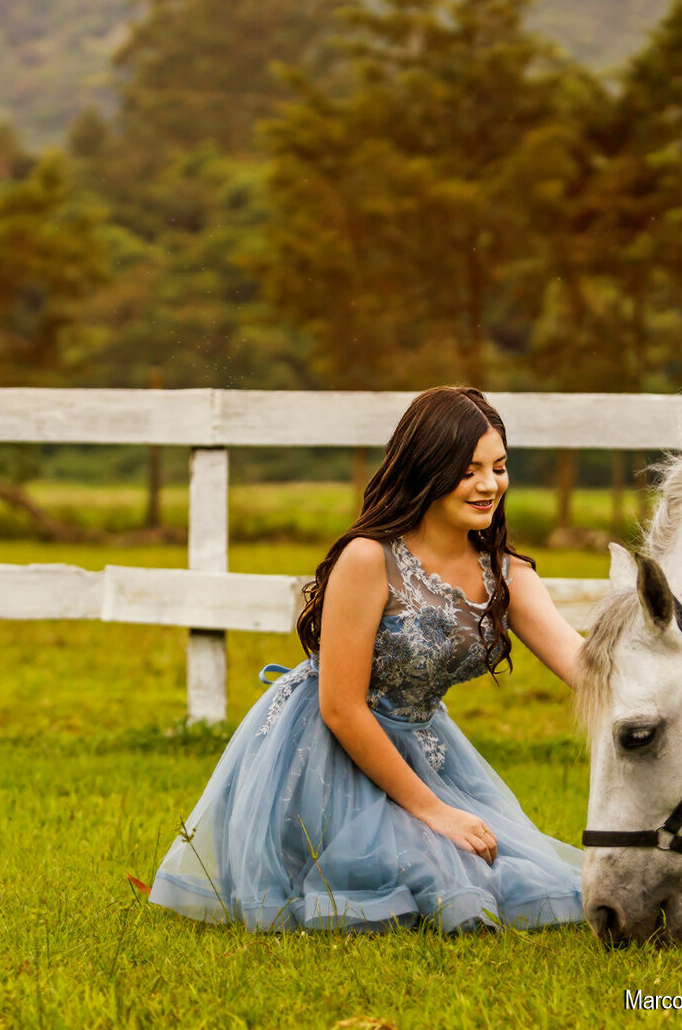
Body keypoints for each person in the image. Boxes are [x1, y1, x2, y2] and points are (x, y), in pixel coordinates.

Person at [149, 386, 586, 933]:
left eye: (499, 468)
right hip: (326, 749)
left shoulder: (508, 575)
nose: (489, 485)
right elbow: (340, 707)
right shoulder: (369, 559)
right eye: (468, 470)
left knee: (507, 867)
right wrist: (434, 810)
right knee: (433, 868)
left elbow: (586, 667)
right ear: (427, 469)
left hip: (426, 747)